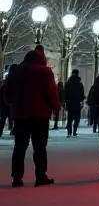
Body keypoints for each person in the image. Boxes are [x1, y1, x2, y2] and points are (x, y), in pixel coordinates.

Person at [5, 49, 59, 187]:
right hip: (40, 115)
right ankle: (40, 176)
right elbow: (51, 92)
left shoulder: (15, 72)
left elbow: (6, 94)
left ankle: (17, 178)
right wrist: (55, 107)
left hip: (20, 114)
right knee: (40, 147)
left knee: (19, 147)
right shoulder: (45, 72)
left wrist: (15, 104)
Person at [64, 69, 85, 136]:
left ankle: (69, 131)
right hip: (77, 103)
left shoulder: (67, 83)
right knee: (77, 118)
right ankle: (74, 131)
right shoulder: (79, 84)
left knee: (69, 118)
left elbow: (65, 93)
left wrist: (65, 102)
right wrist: (82, 101)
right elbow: (82, 94)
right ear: (78, 74)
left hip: (69, 103)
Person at [0, 63, 16, 136]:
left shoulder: (6, 80)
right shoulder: (17, 80)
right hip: (12, 103)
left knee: (3, 118)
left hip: (4, 103)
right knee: (12, 118)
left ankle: (1, 130)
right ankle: (12, 129)